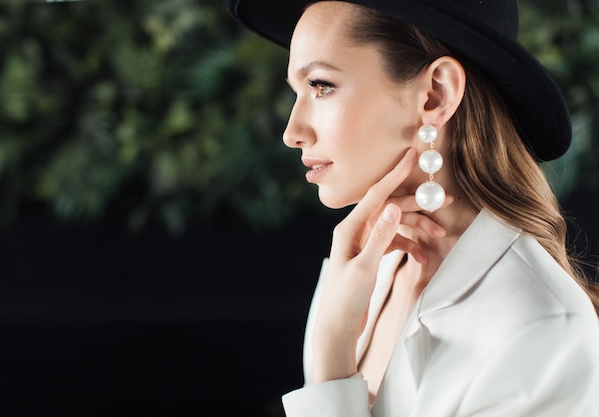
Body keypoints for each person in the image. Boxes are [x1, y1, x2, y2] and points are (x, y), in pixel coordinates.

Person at [227, 0, 599, 415]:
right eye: (297, 92)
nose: (292, 133)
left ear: (435, 95)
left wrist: (332, 362)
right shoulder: (365, 269)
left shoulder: (540, 331)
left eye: (321, 85)